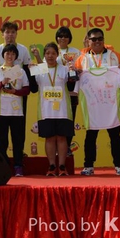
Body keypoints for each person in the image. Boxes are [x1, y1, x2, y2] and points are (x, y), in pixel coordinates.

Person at [75, 28, 120, 176]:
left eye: (100, 39)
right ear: (88, 41)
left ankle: (119, 165)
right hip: (92, 104)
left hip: (110, 102)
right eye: (94, 39)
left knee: (115, 135)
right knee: (90, 136)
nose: (97, 41)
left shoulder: (114, 55)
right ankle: (88, 165)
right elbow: (75, 77)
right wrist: (76, 72)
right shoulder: (82, 58)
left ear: (104, 40)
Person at [0, 44, 37, 177]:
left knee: (18, 140)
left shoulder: (20, 71)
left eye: (13, 54)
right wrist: (1, 83)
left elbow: (27, 90)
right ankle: (4, 167)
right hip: (1, 111)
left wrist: (15, 91)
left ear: (16, 56)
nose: (10, 56)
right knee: (2, 141)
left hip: (17, 112)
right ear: (3, 55)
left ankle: (18, 166)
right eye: (7, 54)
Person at [34, 43, 75, 176]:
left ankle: (62, 166)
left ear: (57, 55)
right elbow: (33, 88)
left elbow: (72, 85)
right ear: (44, 55)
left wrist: (73, 71)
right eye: (47, 53)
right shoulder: (38, 69)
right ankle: (52, 166)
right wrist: (34, 62)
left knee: (62, 138)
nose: (50, 56)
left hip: (63, 110)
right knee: (50, 138)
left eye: (53, 53)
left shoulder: (64, 69)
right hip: (46, 111)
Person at [54, 26, 81, 156]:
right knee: (57, 121)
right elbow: (44, 69)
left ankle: (67, 147)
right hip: (56, 92)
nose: (63, 38)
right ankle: (56, 149)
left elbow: (82, 67)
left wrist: (78, 69)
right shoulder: (52, 51)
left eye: (66, 36)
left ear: (69, 38)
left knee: (70, 120)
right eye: (60, 36)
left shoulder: (76, 52)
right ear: (57, 38)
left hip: (71, 91)